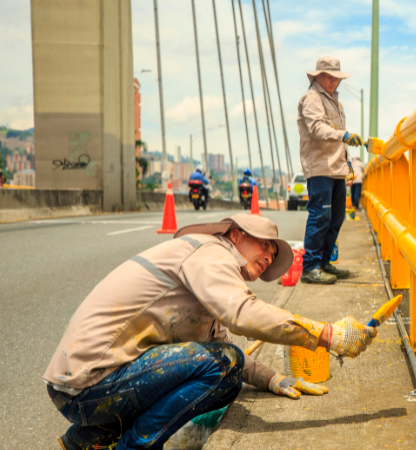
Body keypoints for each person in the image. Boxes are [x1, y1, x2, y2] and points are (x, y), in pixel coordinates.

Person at [44, 214, 378, 450]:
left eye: (273, 255)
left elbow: (218, 347)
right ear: (235, 235)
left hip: (86, 388)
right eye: (264, 246)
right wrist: (327, 334)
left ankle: (90, 437)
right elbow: (241, 316)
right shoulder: (210, 253)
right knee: (223, 367)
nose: (268, 257)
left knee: (227, 374)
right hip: (88, 386)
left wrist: (273, 379)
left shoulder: (208, 276)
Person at [296, 56, 361, 285]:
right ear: (319, 76)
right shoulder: (312, 98)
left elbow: (337, 137)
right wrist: (343, 135)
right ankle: (310, 266)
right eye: (329, 77)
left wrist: (347, 164)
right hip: (319, 166)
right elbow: (317, 129)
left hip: (336, 168)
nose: (333, 81)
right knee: (320, 215)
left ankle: (323, 262)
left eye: (336, 78)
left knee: (336, 217)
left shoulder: (334, 101)